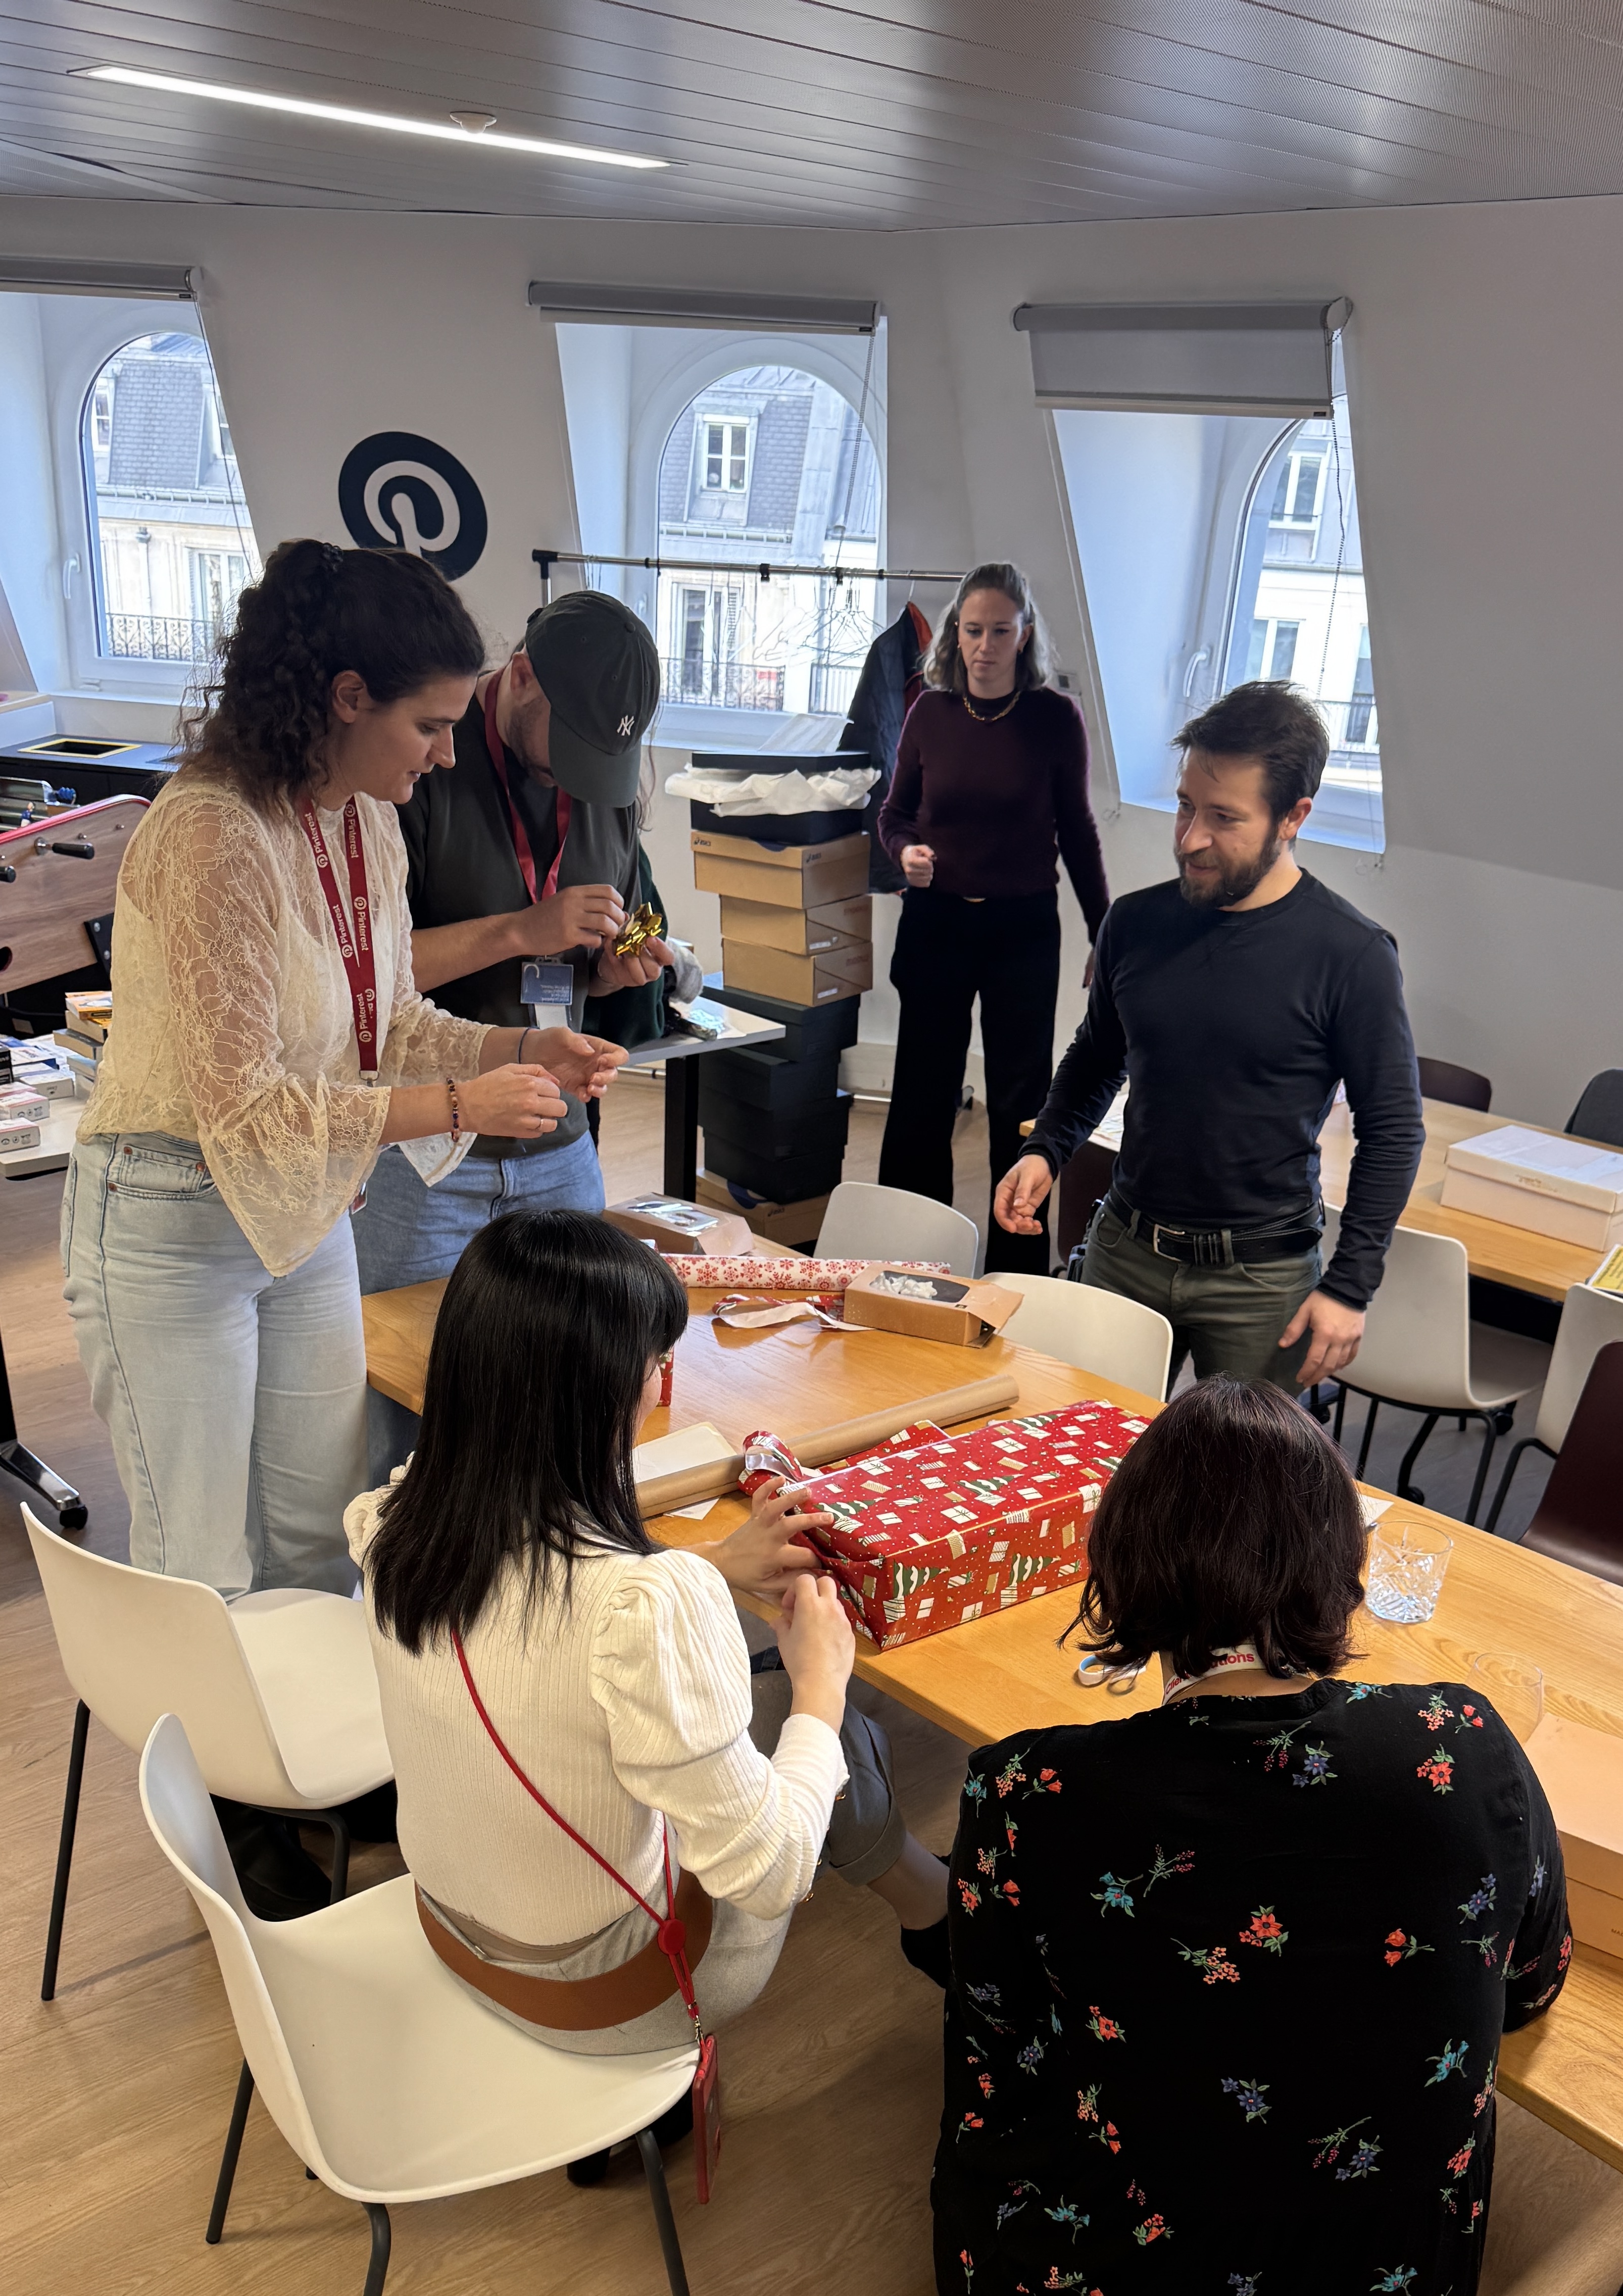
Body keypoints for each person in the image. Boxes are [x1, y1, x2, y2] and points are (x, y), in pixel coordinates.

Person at [61, 538, 600, 1911]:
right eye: (426, 724)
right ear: (344, 697)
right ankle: (233, 1819)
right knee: (203, 1556)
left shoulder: (359, 823)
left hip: (300, 1218)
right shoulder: (205, 836)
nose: (440, 753)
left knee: (317, 1529)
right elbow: (245, 1100)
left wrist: (509, 1046)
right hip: (172, 1216)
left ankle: (312, 1762)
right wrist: (451, 1102)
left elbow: (380, 1029)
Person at [933, 1378, 1569, 2296]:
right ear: (1339, 1570)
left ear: (1118, 1567)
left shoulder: (1027, 1792)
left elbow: (1000, 2047)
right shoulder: (1460, 1744)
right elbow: (1528, 1985)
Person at [348, 1212, 952, 2170]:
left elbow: (547, 1625)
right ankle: (944, 1922)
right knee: (827, 1747)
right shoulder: (643, 1603)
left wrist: (711, 1564)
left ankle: (930, 1904)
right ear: (602, 1396)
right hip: (611, 1993)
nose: (655, 1389)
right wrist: (822, 1688)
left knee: (757, 1734)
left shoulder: (390, 1520)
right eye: (651, 1369)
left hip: (454, 1931)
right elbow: (766, 1872)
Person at [994, 679, 1425, 1387]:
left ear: (1293, 817)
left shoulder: (1350, 954)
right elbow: (1097, 1056)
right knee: (1088, 1456)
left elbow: (1393, 1127)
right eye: (1185, 807)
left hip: (1261, 1278)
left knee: (1246, 1490)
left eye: (1224, 818)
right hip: (1124, 1247)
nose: (1191, 839)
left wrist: (1349, 1286)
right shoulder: (1132, 923)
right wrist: (1047, 1146)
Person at [353, 589, 685, 1477]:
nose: (578, 778)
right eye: (566, 750)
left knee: (559, 1415)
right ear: (522, 677)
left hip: (557, 1143)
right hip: (424, 1158)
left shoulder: (606, 776)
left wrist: (622, 963)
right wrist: (521, 930)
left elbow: (639, 914)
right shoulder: (415, 764)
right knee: (401, 1420)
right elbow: (362, 976)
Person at [875, 562, 1109, 1275]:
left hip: (1022, 931)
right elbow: (893, 815)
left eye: (999, 632)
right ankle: (913, 1256)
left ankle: (1016, 1268)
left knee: (1018, 1099)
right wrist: (905, 852)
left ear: (1023, 635)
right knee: (922, 1092)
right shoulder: (930, 713)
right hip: (937, 924)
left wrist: (1105, 932)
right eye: (972, 631)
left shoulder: (1052, 718)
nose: (983, 646)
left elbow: (1077, 829)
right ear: (955, 634)